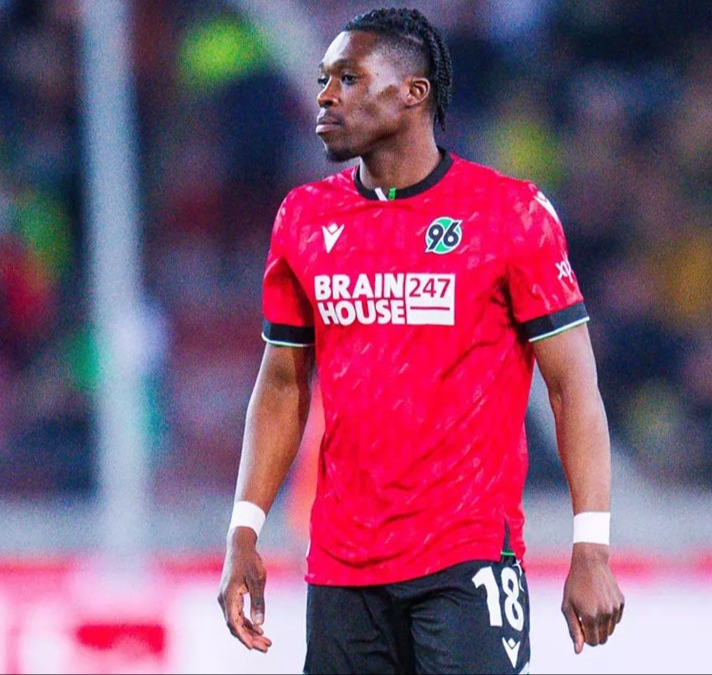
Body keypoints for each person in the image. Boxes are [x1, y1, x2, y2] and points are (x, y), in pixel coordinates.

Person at [217, 7, 624, 674]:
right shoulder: (304, 219)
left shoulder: (510, 214)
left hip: (466, 558)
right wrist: (244, 531)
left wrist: (592, 546)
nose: (326, 96)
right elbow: (283, 384)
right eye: (323, 80)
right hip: (342, 568)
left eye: (349, 78)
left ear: (414, 92)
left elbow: (572, 384)